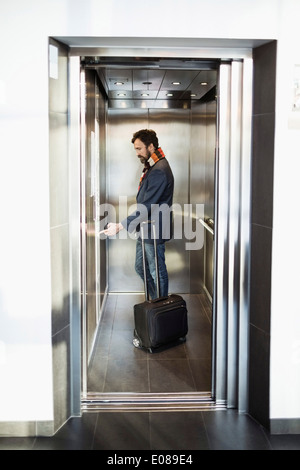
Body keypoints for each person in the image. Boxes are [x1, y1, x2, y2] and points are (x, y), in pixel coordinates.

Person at [103, 129, 174, 300]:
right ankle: (155, 300)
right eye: (135, 149)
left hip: (154, 229)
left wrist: (120, 226)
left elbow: (148, 205)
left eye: (139, 149)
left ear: (151, 146)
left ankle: (161, 306)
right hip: (146, 228)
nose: (137, 153)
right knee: (140, 267)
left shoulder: (159, 169)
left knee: (157, 271)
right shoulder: (155, 166)